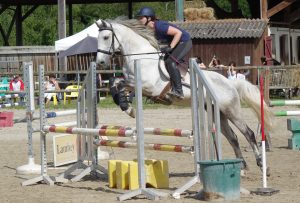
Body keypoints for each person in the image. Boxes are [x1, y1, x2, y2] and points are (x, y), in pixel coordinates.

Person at [137, 7, 192, 99]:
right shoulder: (150, 29)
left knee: (170, 61)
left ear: (149, 18)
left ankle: (178, 90)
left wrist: (170, 47)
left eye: (141, 18)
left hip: (184, 41)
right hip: (176, 43)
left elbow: (178, 33)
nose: (139, 20)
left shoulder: (159, 26)